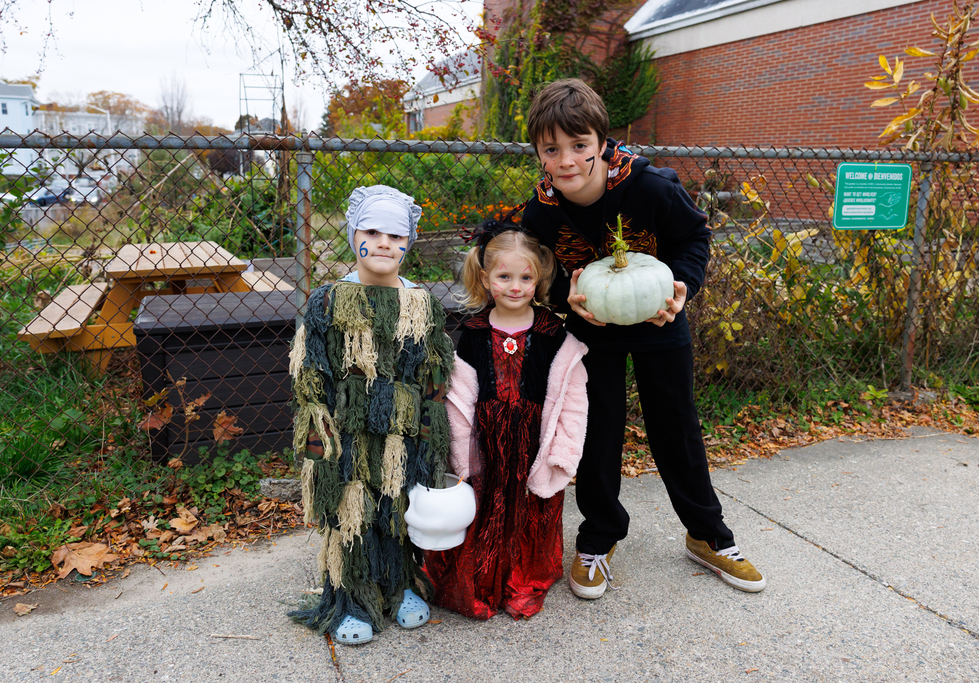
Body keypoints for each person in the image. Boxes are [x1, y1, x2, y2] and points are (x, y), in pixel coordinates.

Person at [520, 78, 765, 597]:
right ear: (539, 152)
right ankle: (598, 538)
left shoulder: (650, 187)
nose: (565, 159)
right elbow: (538, 266)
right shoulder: (542, 209)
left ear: (602, 143)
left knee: (676, 430)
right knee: (598, 434)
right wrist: (566, 296)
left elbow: (693, 238)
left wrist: (682, 289)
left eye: (579, 145)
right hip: (593, 328)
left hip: (659, 319)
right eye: (551, 149)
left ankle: (708, 536)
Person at [288, 185, 455, 644]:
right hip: (348, 435)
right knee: (351, 514)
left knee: (398, 509)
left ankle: (400, 586)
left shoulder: (421, 303)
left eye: (396, 234)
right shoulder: (327, 300)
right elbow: (310, 370)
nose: (384, 242)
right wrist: (318, 443)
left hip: (402, 436)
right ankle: (351, 599)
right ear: (352, 234)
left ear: (409, 242)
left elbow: (435, 369)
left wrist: (428, 432)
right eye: (372, 231)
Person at [423, 220, 589, 619]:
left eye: (525, 277)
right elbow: (459, 399)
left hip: (534, 441)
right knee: (486, 510)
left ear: (539, 279)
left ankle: (521, 578)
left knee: (529, 510)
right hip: (486, 444)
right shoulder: (474, 332)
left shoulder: (553, 334)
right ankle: (482, 580)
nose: (515, 286)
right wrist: (462, 457)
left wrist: (564, 451)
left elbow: (572, 398)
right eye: (504, 276)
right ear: (485, 278)